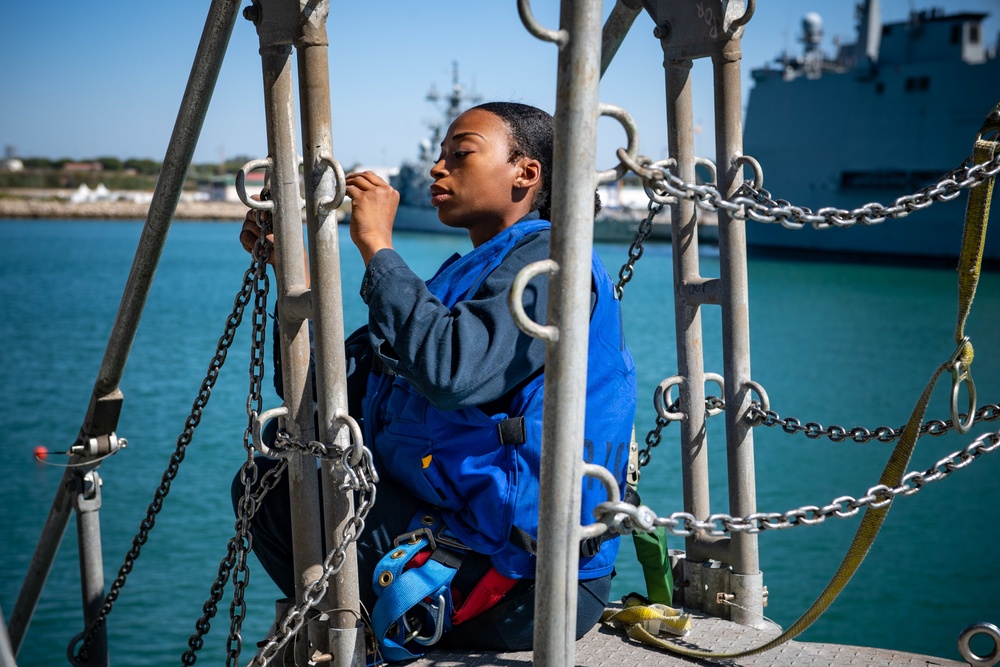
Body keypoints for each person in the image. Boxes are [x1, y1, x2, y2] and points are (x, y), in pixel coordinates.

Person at [234, 101, 637, 659]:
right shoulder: (465, 278)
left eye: (461, 154)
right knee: (271, 480)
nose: (437, 168)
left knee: (276, 493)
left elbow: (454, 373)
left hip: (525, 584)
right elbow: (327, 389)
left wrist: (377, 245)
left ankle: (365, 636)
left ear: (527, 173)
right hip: (472, 544)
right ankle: (374, 631)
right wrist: (291, 270)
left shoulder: (555, 267)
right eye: (440, 155)